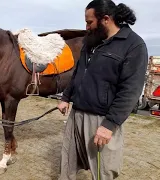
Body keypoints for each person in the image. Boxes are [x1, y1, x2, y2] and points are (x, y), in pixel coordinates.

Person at [57, 1, 148, 180]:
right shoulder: (91, 41)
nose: (86, 26)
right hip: (76, 113)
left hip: (101, 120)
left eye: (90, 22)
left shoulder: (133, 45)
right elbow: (79, 72)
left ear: (106, 19)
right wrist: (66, 97)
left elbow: (130, 90)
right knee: (67, 165)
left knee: (103, 171)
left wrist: (109, 124)